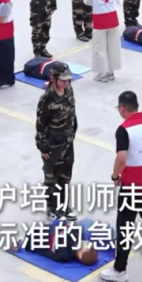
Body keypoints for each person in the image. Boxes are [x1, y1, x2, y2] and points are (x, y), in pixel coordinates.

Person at [101, 91, 142, 282]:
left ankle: (120, 270)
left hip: (132, 185)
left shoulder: (124, 129)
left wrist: (115, 175)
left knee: (125, 226)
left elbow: (121, 158)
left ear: (122, 108)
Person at [36, 63, 78, 219]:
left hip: (68, 142)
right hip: (53, 145)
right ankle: (52, 208)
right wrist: (43, 147)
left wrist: (73, 131)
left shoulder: (69, 90)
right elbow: (41, 125)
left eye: (68, 79)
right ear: (53, 78)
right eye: (63, 80)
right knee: (52, 179)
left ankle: (64, 206)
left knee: (65, 177)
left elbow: (72, 113)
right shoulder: (46, 99)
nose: (66, 82)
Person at [85, 0, 122, 82]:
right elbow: (118, 1)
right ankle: (111, 71)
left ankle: (103, 72)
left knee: (100, 47)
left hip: (100, 21)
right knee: (113, 46)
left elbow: (87, 2)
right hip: (112, 19)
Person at [20, 219, 99, 265]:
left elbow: (58, 238)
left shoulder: (64, 254)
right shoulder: (76, 243)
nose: (85, 243)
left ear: (80, 254)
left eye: (85, 246)